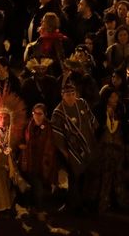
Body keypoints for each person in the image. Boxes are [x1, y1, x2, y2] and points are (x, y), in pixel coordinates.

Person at [51, 84, 98, 213]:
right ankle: (73, 205)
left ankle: (85, 202)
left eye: (73, 94)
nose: (71, 97)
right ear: (62, 95)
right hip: (71, 152)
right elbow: (57, 136)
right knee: (74, 179)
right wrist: (66, 153)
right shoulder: (59, 112)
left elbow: (91, 122)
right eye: (67, 95)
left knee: (86, 177)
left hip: (87, 148)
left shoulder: (82, 103)